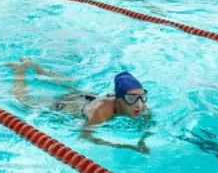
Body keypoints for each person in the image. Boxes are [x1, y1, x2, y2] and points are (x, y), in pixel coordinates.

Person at [9, 59, 150, 153]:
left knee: (68, 82)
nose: (139, 104)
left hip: (90, 96)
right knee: (26, 102)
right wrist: (127, 147)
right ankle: (19, 71)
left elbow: (149, 123)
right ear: (119, 99)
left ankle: (33, 65)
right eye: (131, 98)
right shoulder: (102, 112)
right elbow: (85, 136)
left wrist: (142, 140)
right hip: (72, 106)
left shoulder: (139, 104)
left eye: (142, 96)